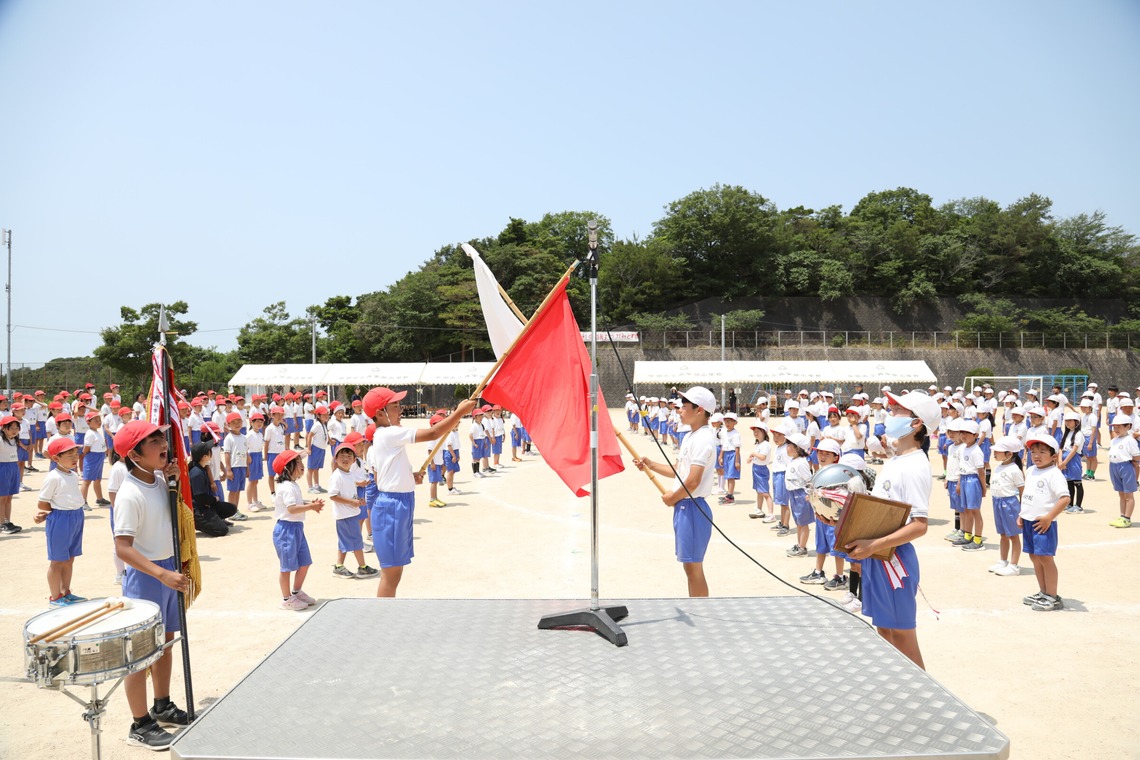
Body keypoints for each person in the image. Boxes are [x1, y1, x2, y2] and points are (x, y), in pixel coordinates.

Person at [111, 421, 195, 750]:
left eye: (161, 437)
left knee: (166, 644)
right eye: (154, 441)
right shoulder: (130, 493)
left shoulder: (160, 481)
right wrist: (161, 574)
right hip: (147, 577)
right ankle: (140, 723)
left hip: (167, 567)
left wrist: (173, 481)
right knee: (140, 654)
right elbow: (123, 547)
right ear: (134, 455)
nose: (163, 443)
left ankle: (162, 704)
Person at [845, 390, 940, 669]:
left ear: (916, 423)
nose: (890, 412)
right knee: (885, 632)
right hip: (878, 557)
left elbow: (919, 525)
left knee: (902, 637)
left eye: (898, 410)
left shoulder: (915, 466)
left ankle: (923, 693)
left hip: (894, 561)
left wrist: (873, 546)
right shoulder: (898, 458)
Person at [364, 387, 475, 597]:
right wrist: (459, 412)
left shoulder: (384, 436)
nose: (400, 410)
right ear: (380, 413)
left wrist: (409, 476)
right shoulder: (389, 433)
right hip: (393, 506)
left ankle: (385, 610)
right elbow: (433, 433)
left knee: (395, 572)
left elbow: (385, 473)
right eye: (395, 406)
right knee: (391, 574)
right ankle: (382, 614)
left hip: (399, 502)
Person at [633, 386, 717, 598]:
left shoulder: (703, 439)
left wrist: (673, 497)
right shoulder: (690, 436)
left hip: (693, 507)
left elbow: (693, 481)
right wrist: (651, 464)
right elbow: (679, 470)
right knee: (689, 568)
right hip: (685, 505)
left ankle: (701, 610)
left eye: (684, 406)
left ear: (699, 410)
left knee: (694, 568)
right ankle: (696, 606)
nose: (679, 410)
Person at [1019, 433, 1070, 611]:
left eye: (1042, 452)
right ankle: (1043, 591)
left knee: (1046, 558)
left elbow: (1065, 498)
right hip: (1029, 521)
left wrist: (1049, 517)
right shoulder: (1031, 470)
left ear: (1054, 456)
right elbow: (1027, 494)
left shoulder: (1054, 474)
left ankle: (1053, 597)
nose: (1036, 456)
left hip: (1044, 524)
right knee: (1034, 557)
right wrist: (1021, 514)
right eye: (1033, 452)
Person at [35, 437, 87, 606]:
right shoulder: (53, 477)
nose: (75, 457)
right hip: (61, 520)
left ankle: (66, 592)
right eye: (69, 454)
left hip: (76, 517)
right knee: (57, 561)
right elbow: (42, 503)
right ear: (56, 458)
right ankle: (55, 597)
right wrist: (52, 513)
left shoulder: (73, 474)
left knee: (70, 558)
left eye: (76, 453)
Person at [272, 450, 324, 610]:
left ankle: (296, 592)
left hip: (296, 528)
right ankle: (287, 599)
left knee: (305, 562)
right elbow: (292, 509)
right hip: (286, 530)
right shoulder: (286, 487)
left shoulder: (292, 485)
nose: (302, 465)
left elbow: (296, 505)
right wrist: (311, 507)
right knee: (286, 567)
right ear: (287, 468)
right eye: (298, 462)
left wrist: (310, 504)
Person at [329, 442, 378, 579]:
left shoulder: (349, 474)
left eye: (349, 456)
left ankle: (339, 566)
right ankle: (362, 567)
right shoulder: (337, 476)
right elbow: (333, 495)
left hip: (350, 513)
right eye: (342, 456)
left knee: (344, 542)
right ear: (336, 458)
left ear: (354, 460)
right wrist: (352, 502)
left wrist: (358, 500)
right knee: (356, 541)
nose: (345, 459)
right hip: (345, 515)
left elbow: (349, 492)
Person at [988, 436, 1025, 577]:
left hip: (1009, 504)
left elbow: (1022, 490)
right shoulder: (999, 467)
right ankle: (1003, 561)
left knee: (1013, 535)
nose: (994, 453)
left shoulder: (1015, 470)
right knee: (1003, 534)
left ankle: (1014, 565)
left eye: (998, 451)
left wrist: (1022, 510)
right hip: (997, 502)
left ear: (1009, 454)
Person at [188, 442, 237, 537]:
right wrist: (214, 499)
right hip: (198, 510)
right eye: (209, 451)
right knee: (222, 530)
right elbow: (200, 497)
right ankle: (199, 523)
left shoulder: (202, 468)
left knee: (231, 508)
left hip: (206, 505)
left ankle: (213, 518)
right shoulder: (197, 473)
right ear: (204, 457)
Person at [1107, 414, 1140, 528]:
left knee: (1128, 494)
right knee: (1121, 493)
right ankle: (1122, 516)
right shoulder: (1114, 440)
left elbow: (1136, 457)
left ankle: (1127, 518)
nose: (1116, 429)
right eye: (1114, 426)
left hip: (1125, 467)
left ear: (1128, 427)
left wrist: (1135, 470)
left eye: (1119, 426)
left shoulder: (1130, 440)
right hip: (1113, 466)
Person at [783, 434, 813, 558]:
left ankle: (802, 548)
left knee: (803, 522)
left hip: (801, 494)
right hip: (793, 493)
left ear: (798, 448)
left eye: (789, 445)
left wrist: (810, 494)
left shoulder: (801, 463)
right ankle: (799, 544)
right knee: (798, 522)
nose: (787, 447)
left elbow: (809, 480)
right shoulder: (793, 461)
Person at [746, 423, 773, 521]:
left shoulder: (765, 444)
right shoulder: (758, 444)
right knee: (759, 491)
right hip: (756, 468)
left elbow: (763, 457)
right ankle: (759, 509)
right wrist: (751, 458)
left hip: (761, 469)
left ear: (764, 432)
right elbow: (758, 457)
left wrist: (753, 453)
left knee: (765, 492)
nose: (755, 433)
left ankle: (771, 514)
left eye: (758, 431)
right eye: (754, 431)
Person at [0, 416, 21, 533]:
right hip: (2, 468)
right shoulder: (0, 440)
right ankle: (1, 524)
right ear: (3, 428)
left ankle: (7, 521)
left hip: (13, 467)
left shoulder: (14, 439)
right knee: (2, 498)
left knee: (9, 497)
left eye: (16, 428)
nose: (14, 430)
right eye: (11, 428)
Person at [718, 412, 741, 504]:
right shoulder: (724, 432)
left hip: (733, 454)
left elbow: (737, 448)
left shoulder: (735, 434)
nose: (727, 423)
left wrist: (737, 461)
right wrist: (721, 456)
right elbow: (723, 445)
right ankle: (728, 494)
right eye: (726, 421)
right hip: (726, 454)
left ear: (735, 422)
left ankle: (730, 496)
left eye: (730, 421)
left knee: (731, 476)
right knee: (727, 475)